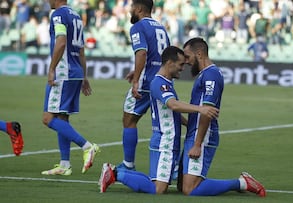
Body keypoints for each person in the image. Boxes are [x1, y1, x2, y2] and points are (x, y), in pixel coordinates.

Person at [99, 46, 219, 194]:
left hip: (166, 140)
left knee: (156, 182)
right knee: (158, 189)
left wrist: (188, 124)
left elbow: (171, 112)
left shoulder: (166, 83)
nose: (183, 68)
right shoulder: (159, 83)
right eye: (180, 64)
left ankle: (114, 172)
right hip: (165, 141)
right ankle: (116, 174)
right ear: (170, 63)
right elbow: (173, 105)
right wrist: (200, 109)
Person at [179, 37, 266, 197]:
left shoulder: (211, 75)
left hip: (203, 136)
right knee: (181, 184)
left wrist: (198, 144)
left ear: (199, 54)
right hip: (195, 132)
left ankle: (242, 183)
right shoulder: (205, 74)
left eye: (187, 56)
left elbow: (207, 111)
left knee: (189, 189)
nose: (185, 61)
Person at [41, 0, 100, 176]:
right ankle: (64, 164)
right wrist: (85, 76)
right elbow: (81, 50)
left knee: (48, 118)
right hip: (75, 72)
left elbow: (61, 42)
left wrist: (51, 69)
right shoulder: (76, 16)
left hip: (63, 73)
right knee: (62, 118)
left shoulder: (58, 14)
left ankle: (87, 146)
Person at [118, 0, 170, 171]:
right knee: (165, 124)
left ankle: (128, 164)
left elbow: (142, 52)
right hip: (162, 80)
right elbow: (161, 55)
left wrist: (136, 80)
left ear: (139, 8)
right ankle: (172, 167)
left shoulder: (138, 26)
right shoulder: (160, 27)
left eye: (132, 7)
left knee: (129, 119)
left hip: (147, 82)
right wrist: (137, 70)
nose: (130, 10)